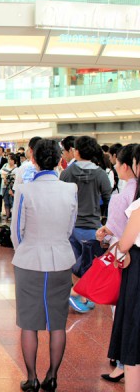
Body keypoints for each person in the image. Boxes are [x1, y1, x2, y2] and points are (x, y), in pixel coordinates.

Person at [11, 139, 78, 392]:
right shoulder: (70, 189)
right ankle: (52, 376)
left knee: (29, 322)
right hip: (61, 259)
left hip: (30, 260)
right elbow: (70, 226)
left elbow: (17, 232)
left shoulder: (25, 190)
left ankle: (32, 378)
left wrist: (27, 251)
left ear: (34, 160)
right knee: (57, 322)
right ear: (59, 160)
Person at [96, 144, 137, 383]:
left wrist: (103, 235)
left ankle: (122, 363)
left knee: (123, 313)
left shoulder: (122, 197)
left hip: (124, 258)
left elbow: (115, 234)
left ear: (124, 166)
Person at [60, 135, 112, 314]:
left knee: (73, 263)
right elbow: (108, 197)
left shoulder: (67, 172)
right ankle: (82, 296)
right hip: (92, 227)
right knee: (90, 265)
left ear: (78, 151)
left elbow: (60, 197)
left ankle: (79, 295)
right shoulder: (100, 174)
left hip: (71, 225)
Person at [108, 144, 140, 392]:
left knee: (133, 340)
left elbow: (126, 244)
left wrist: (114, 250)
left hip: (137, 275)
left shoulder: (138, 206)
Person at [0, 153, 18, 220]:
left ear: (14, 160)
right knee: (6, 201)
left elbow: (16, 177)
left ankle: (13, 216)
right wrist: (4, 177)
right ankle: (7, 215)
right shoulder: (5, 166)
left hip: (12, 187)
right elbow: (1, 173)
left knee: (12, 201)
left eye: (11, 159)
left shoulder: (16, 168)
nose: (10, 161)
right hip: (4, 186)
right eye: (9, 159)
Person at [0, 146, 8, 216]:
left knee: (0, 195)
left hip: (2, 178)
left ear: (2, 152)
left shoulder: (5, 160)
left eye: (0, 150)